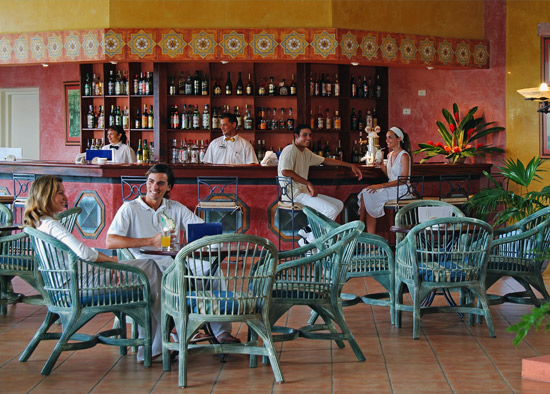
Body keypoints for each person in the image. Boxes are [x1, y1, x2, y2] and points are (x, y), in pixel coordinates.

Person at [23, 175, 163, 363]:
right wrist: (114, 262)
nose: (65, 197)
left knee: (147, 270)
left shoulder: (39, 223)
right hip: (81, 285)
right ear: (45, 196)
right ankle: (158, 341)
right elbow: (85, 253)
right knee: (149, 268)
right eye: (60, 193)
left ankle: (153, 342)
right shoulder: (52, 225)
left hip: (65, 285)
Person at [106, 164, 240, 344]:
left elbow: (201, 229)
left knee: (213, 270)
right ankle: (180, 327)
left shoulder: (174, 208)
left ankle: (221, 331)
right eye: (151, 182)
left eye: (160, 183)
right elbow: (111, 241)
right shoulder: (130, 209)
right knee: (177, 275)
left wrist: (209, 238)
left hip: (173, 260)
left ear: (169, 187)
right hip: (145, 264)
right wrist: (150, 241)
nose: (155, 187)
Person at [278, 124, 363, 222]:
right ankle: (311, 237)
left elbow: (325, 160)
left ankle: (308, 232)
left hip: (303, 193)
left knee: (338, 204)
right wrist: (308, 183)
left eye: (310, 135)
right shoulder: (290, 150)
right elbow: (285, 171)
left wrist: (350, 165)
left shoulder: (306, 152)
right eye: (305, 135)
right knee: (331, 210)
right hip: (293, 195)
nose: (309, 138)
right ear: (296, 136)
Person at [358, 126, 412, 233]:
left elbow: (403, 180)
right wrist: (382, 166)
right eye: (387, 138)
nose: (387, 140)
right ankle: (364, 230)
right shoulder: (390, 154)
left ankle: (360, 226)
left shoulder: (404, 156)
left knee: (368, 194)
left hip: (401, 190)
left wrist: (381, 185)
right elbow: (391, 176)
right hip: (392, 188)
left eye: (390, 137)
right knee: (366, 193)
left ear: (399, 138)